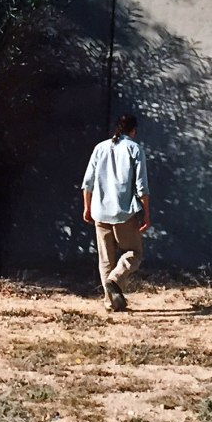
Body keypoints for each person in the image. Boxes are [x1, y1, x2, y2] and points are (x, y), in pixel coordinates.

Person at [81, 113, 151, 312]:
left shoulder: (100, 148)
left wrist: (87, 207)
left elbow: (88, 182)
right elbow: (141, 187)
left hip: (100, 211)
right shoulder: (135, 149)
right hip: (123, 213)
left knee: (105, 259)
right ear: (133, 130)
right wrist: (146, 214)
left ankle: (111, 303)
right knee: (134, 253)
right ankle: (115, 280)